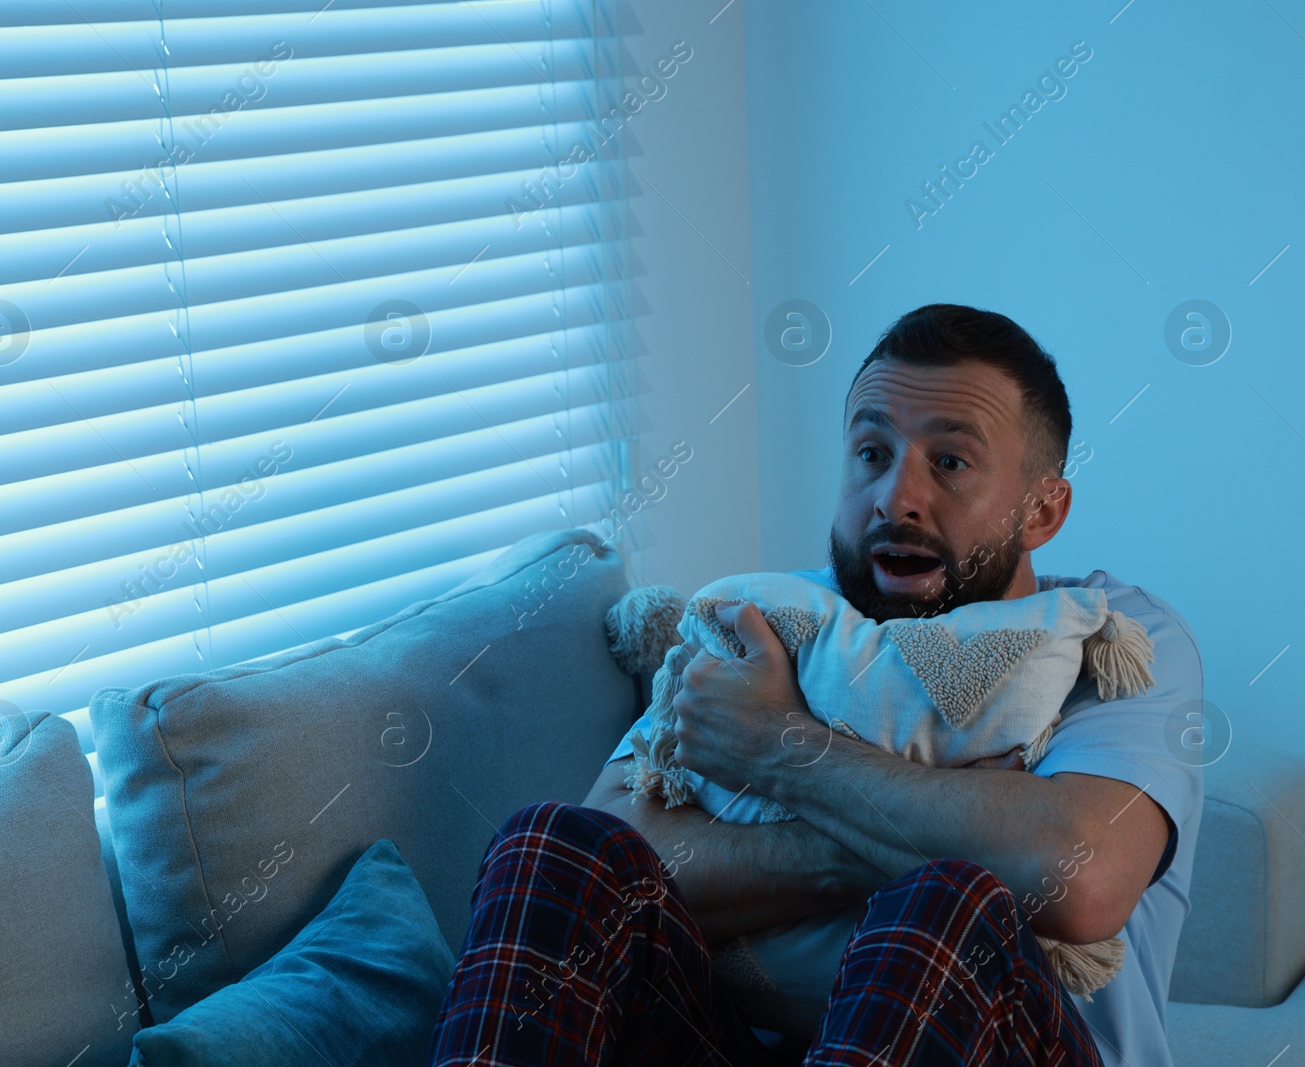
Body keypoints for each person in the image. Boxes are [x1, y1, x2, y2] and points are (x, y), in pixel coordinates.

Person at [428, 303, 1204, 1066]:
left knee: (944, 905)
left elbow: (1081, 877)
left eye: (951, 462)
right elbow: (617, 859)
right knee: (552, 847)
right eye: (871, 452)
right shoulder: (778, 619)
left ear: (1043, 510)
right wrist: (894, 833)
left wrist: (777, 746)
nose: (895, 497)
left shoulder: (1111, 633)